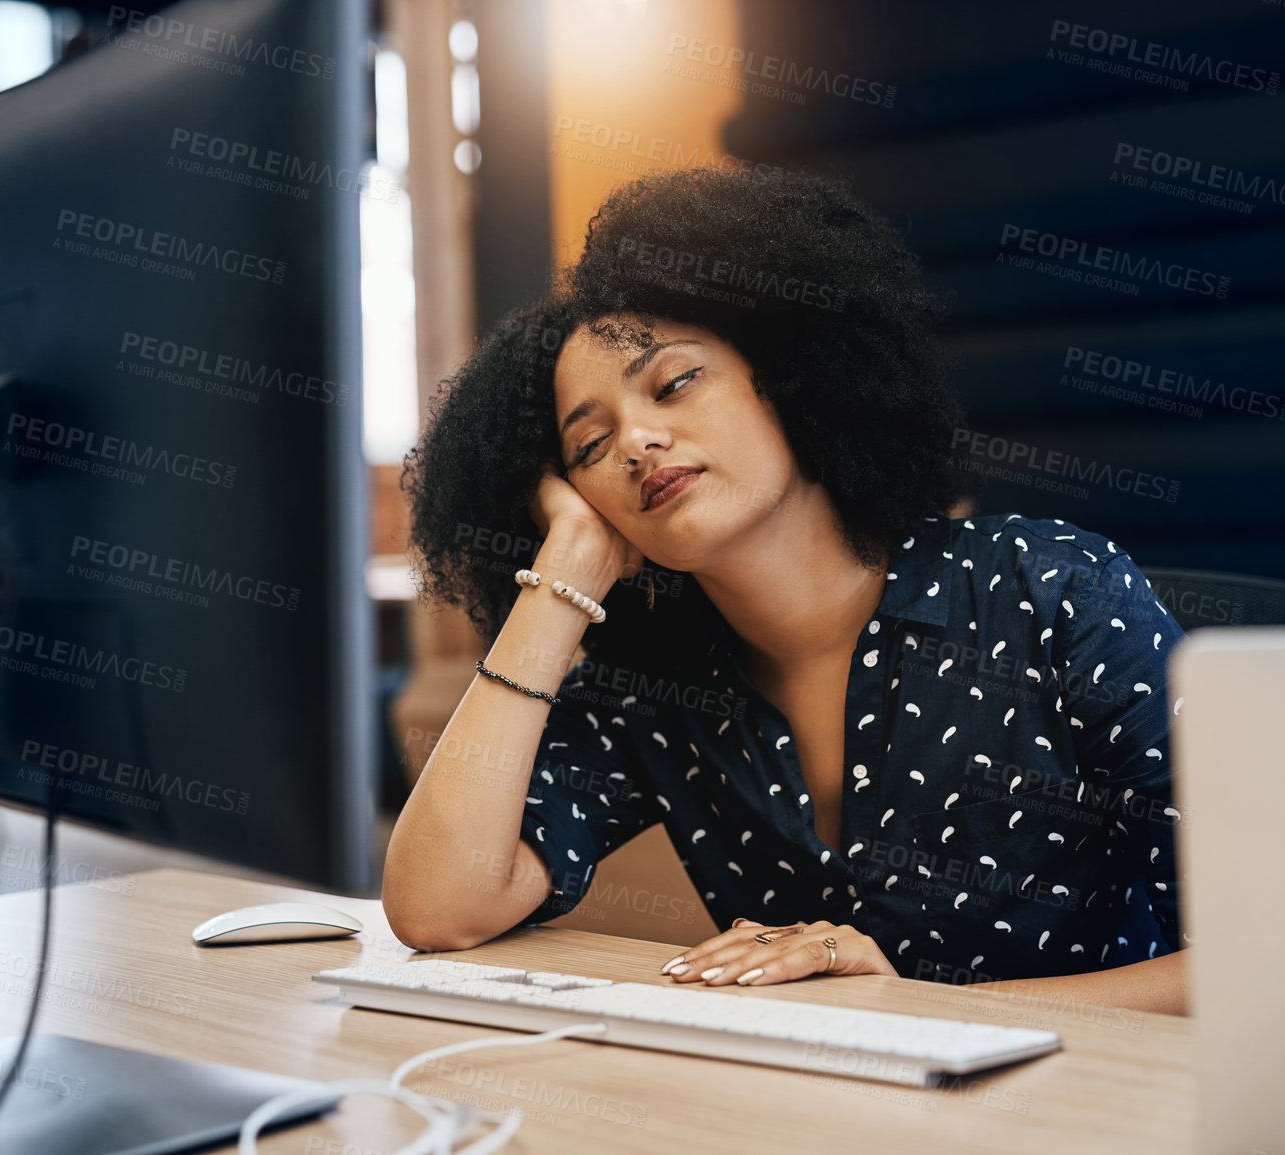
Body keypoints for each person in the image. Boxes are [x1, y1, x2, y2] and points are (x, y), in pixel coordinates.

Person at [384, 168, 1188, 1015]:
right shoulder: (654, 688)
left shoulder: (1051, 588)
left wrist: (918, 1012)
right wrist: (562, 575)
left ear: (788, 374)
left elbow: (1260, 959)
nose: (638, 441)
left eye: (674, 383)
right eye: (589, 446)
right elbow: (440, 906)